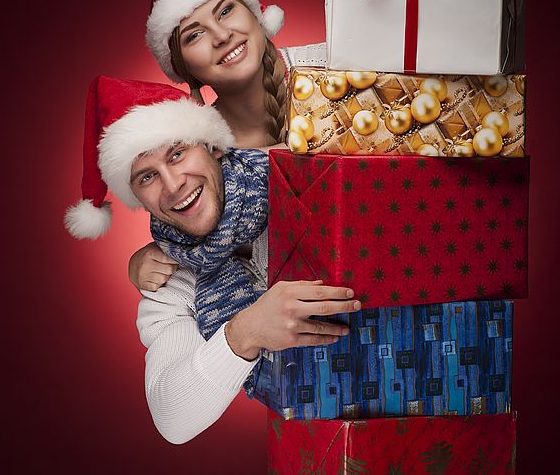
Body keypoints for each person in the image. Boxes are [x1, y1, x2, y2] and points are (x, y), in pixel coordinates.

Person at [65, 76, 360, 444]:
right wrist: (245, 332)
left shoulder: (300, 170)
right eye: (147, 177)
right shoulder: (169, 280)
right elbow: (171, 417)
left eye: (177, 154)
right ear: (138, 198)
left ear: (213, 147)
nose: (173, 185)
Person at [130, 0, 326, 292]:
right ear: (184, 69)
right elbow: (193, 230)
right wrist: (151, 257)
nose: (221, 36)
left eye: (226, 11)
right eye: (195, 34)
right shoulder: (198, 152)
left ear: (255, 15)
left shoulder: (336, 67)